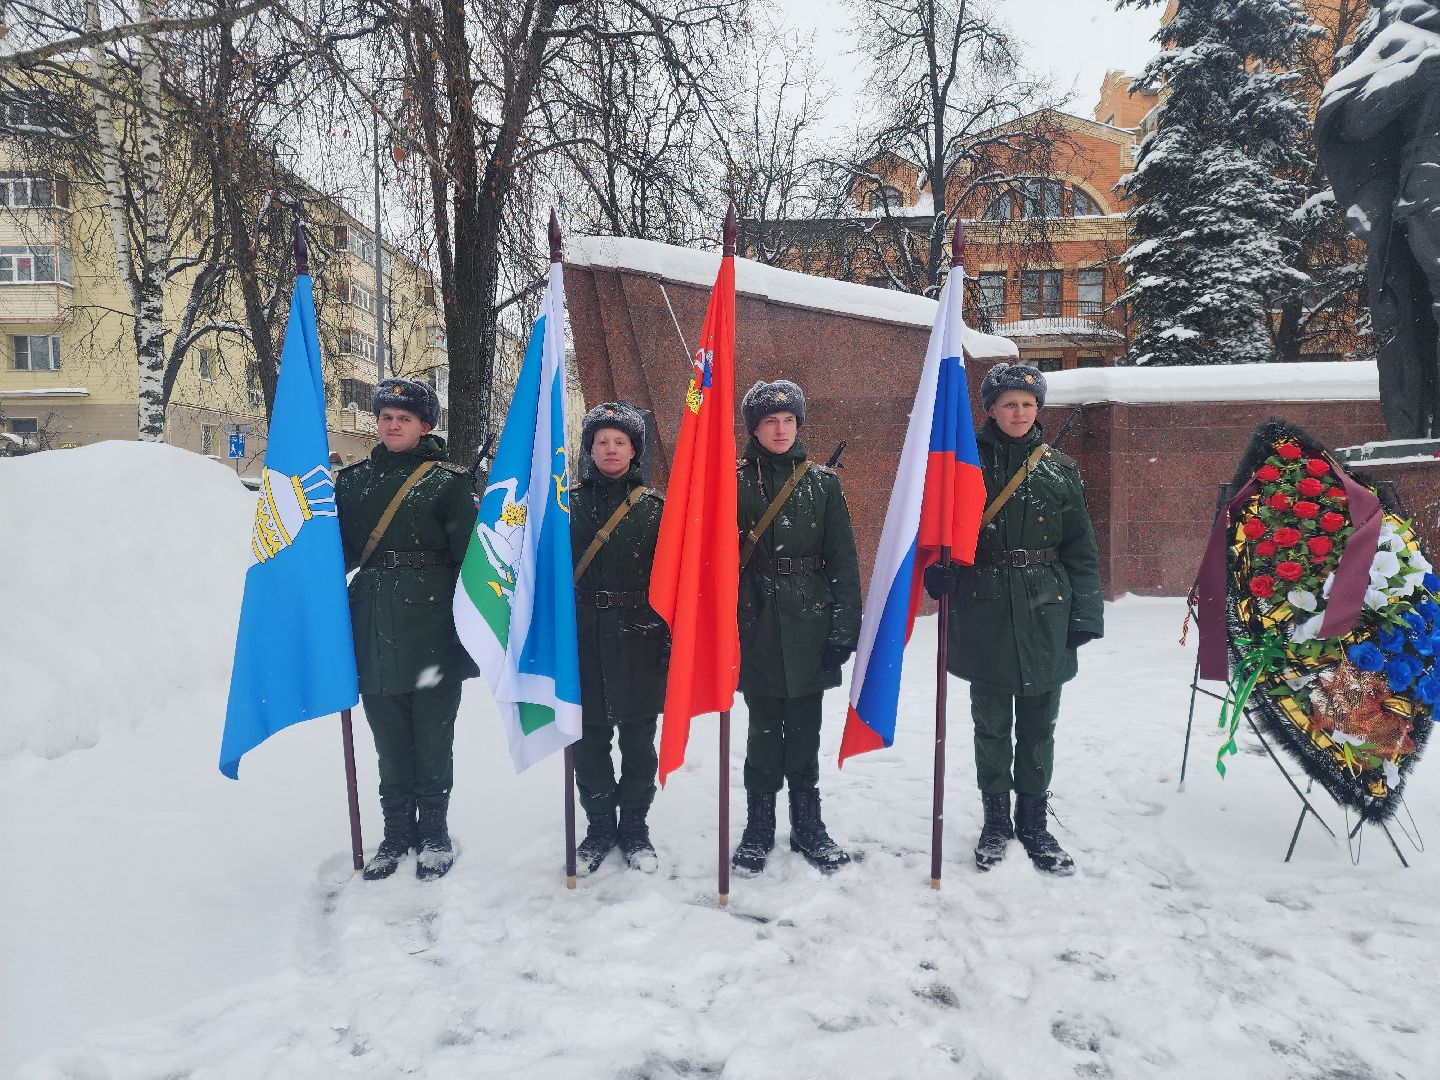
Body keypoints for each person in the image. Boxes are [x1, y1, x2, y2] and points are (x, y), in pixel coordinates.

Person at [924, 362, 1102, 875]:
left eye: (1027, 404)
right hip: (984, 608)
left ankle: (1033, 820)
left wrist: (1085, 613)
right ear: (991, 410)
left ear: (1038, 409)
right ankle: (996, 820)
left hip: (1047, 607)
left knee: (1040, 725)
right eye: (1009, 404)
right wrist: (939, 571)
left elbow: (1081, 548)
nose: (1019, 413)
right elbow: (937, 527)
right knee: (992, 724)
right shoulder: (964, 464)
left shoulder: (1060, 470)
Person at [335, 378, 479, 881]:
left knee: (433, 734)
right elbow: (335, 556)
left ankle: (434, 832)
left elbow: (472, 564)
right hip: (373, 623)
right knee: (389, 735)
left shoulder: (449, 482)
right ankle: (396, 834)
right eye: (386, 417)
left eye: (404, 418)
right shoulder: (351, 482)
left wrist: (474, 629)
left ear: (425, 426)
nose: (392, 425)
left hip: (436, 625)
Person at [731, 379, 861, 876]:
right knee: (763, 730)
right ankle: (758, 826)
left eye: (788, 420)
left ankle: (808, 825)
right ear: (755, 429)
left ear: (799, 425)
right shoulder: (735, 481)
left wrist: (842, 631)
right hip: (754, 619)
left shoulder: (823, 483)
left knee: (805, 731)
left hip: (811, 619)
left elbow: (843, 562)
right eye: (770, 421)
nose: (780, 429)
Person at [570, 402, 669, 874]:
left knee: (637, 738)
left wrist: (669, 639)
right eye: (602, 441)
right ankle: (598, 825)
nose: (610, 449)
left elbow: (673, 580)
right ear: (590, 449)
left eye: (620, 442)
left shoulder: (657, 510)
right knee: (588, 739)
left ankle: (634, 825)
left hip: (639, 638)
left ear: (634, 450)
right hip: (581, 638)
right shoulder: (564, 506)